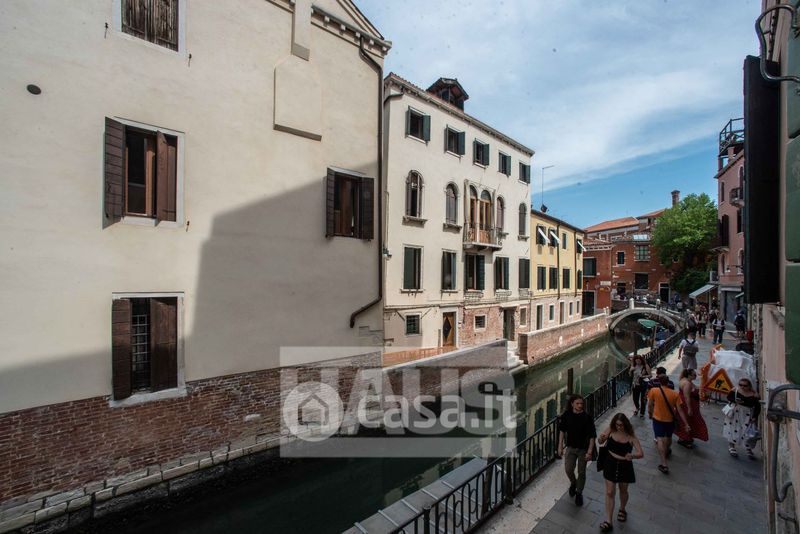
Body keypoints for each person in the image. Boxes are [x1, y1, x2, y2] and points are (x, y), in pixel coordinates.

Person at [597, 414, 644, 532]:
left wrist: (632, 456)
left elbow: (640, 453)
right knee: (609, 492)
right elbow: (600, 441)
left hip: (625, 466)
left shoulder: (631, 436)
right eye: (617, 425)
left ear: (626, 424)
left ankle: (622, 509)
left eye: (621, 425)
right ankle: (608, 521)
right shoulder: (611, 429)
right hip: (610, 462)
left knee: (623, 490)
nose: (619, 427)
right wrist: (601, 438)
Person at [647, 372, 690, 474]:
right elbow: (680, 410)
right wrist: (686, 424)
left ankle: (664, 464)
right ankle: (667, 450)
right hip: (670, 420)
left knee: (659, 439)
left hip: (657, 419)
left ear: (659, 382)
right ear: (668, 382)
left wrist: (650, 414)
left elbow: (650, 405)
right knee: (669, 437)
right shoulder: (675, 394)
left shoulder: (654, 391)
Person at [557, 395, 596, 506]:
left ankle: (579, 493)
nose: (580, 405)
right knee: (568, 469)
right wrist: (560, 446)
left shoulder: (587, 417)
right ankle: (573, 483)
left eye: (581, 403)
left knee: (581, 472)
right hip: (570, 447)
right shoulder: (567, 415)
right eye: (577, 403)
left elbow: (592, 436)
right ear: (572, 404)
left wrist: (590, 451)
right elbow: (562, 431)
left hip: (583, 449)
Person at [724, 377, 761, 459]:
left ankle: (749, 449)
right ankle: (731, 447)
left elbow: (757, 407)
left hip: (748, 415)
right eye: (740, 385)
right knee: (733, 429)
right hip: (735, 413)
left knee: (747, 432)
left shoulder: (754, 395)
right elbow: (728, 397)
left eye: (745, 385)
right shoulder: (735, 390)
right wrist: (736, 401)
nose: (742, 387)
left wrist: (755, 417)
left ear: (749, 386)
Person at [674, 369, 709, 448]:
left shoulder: (685, 380)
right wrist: (689, 408)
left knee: (686, 421)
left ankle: (684, 437)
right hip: (687, 406)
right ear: (689, 375)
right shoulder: (687, 383)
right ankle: (684, 438)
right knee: (688, 421)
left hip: (686, 405)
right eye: (694, 375)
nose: (696, 376)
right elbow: (687, 397)